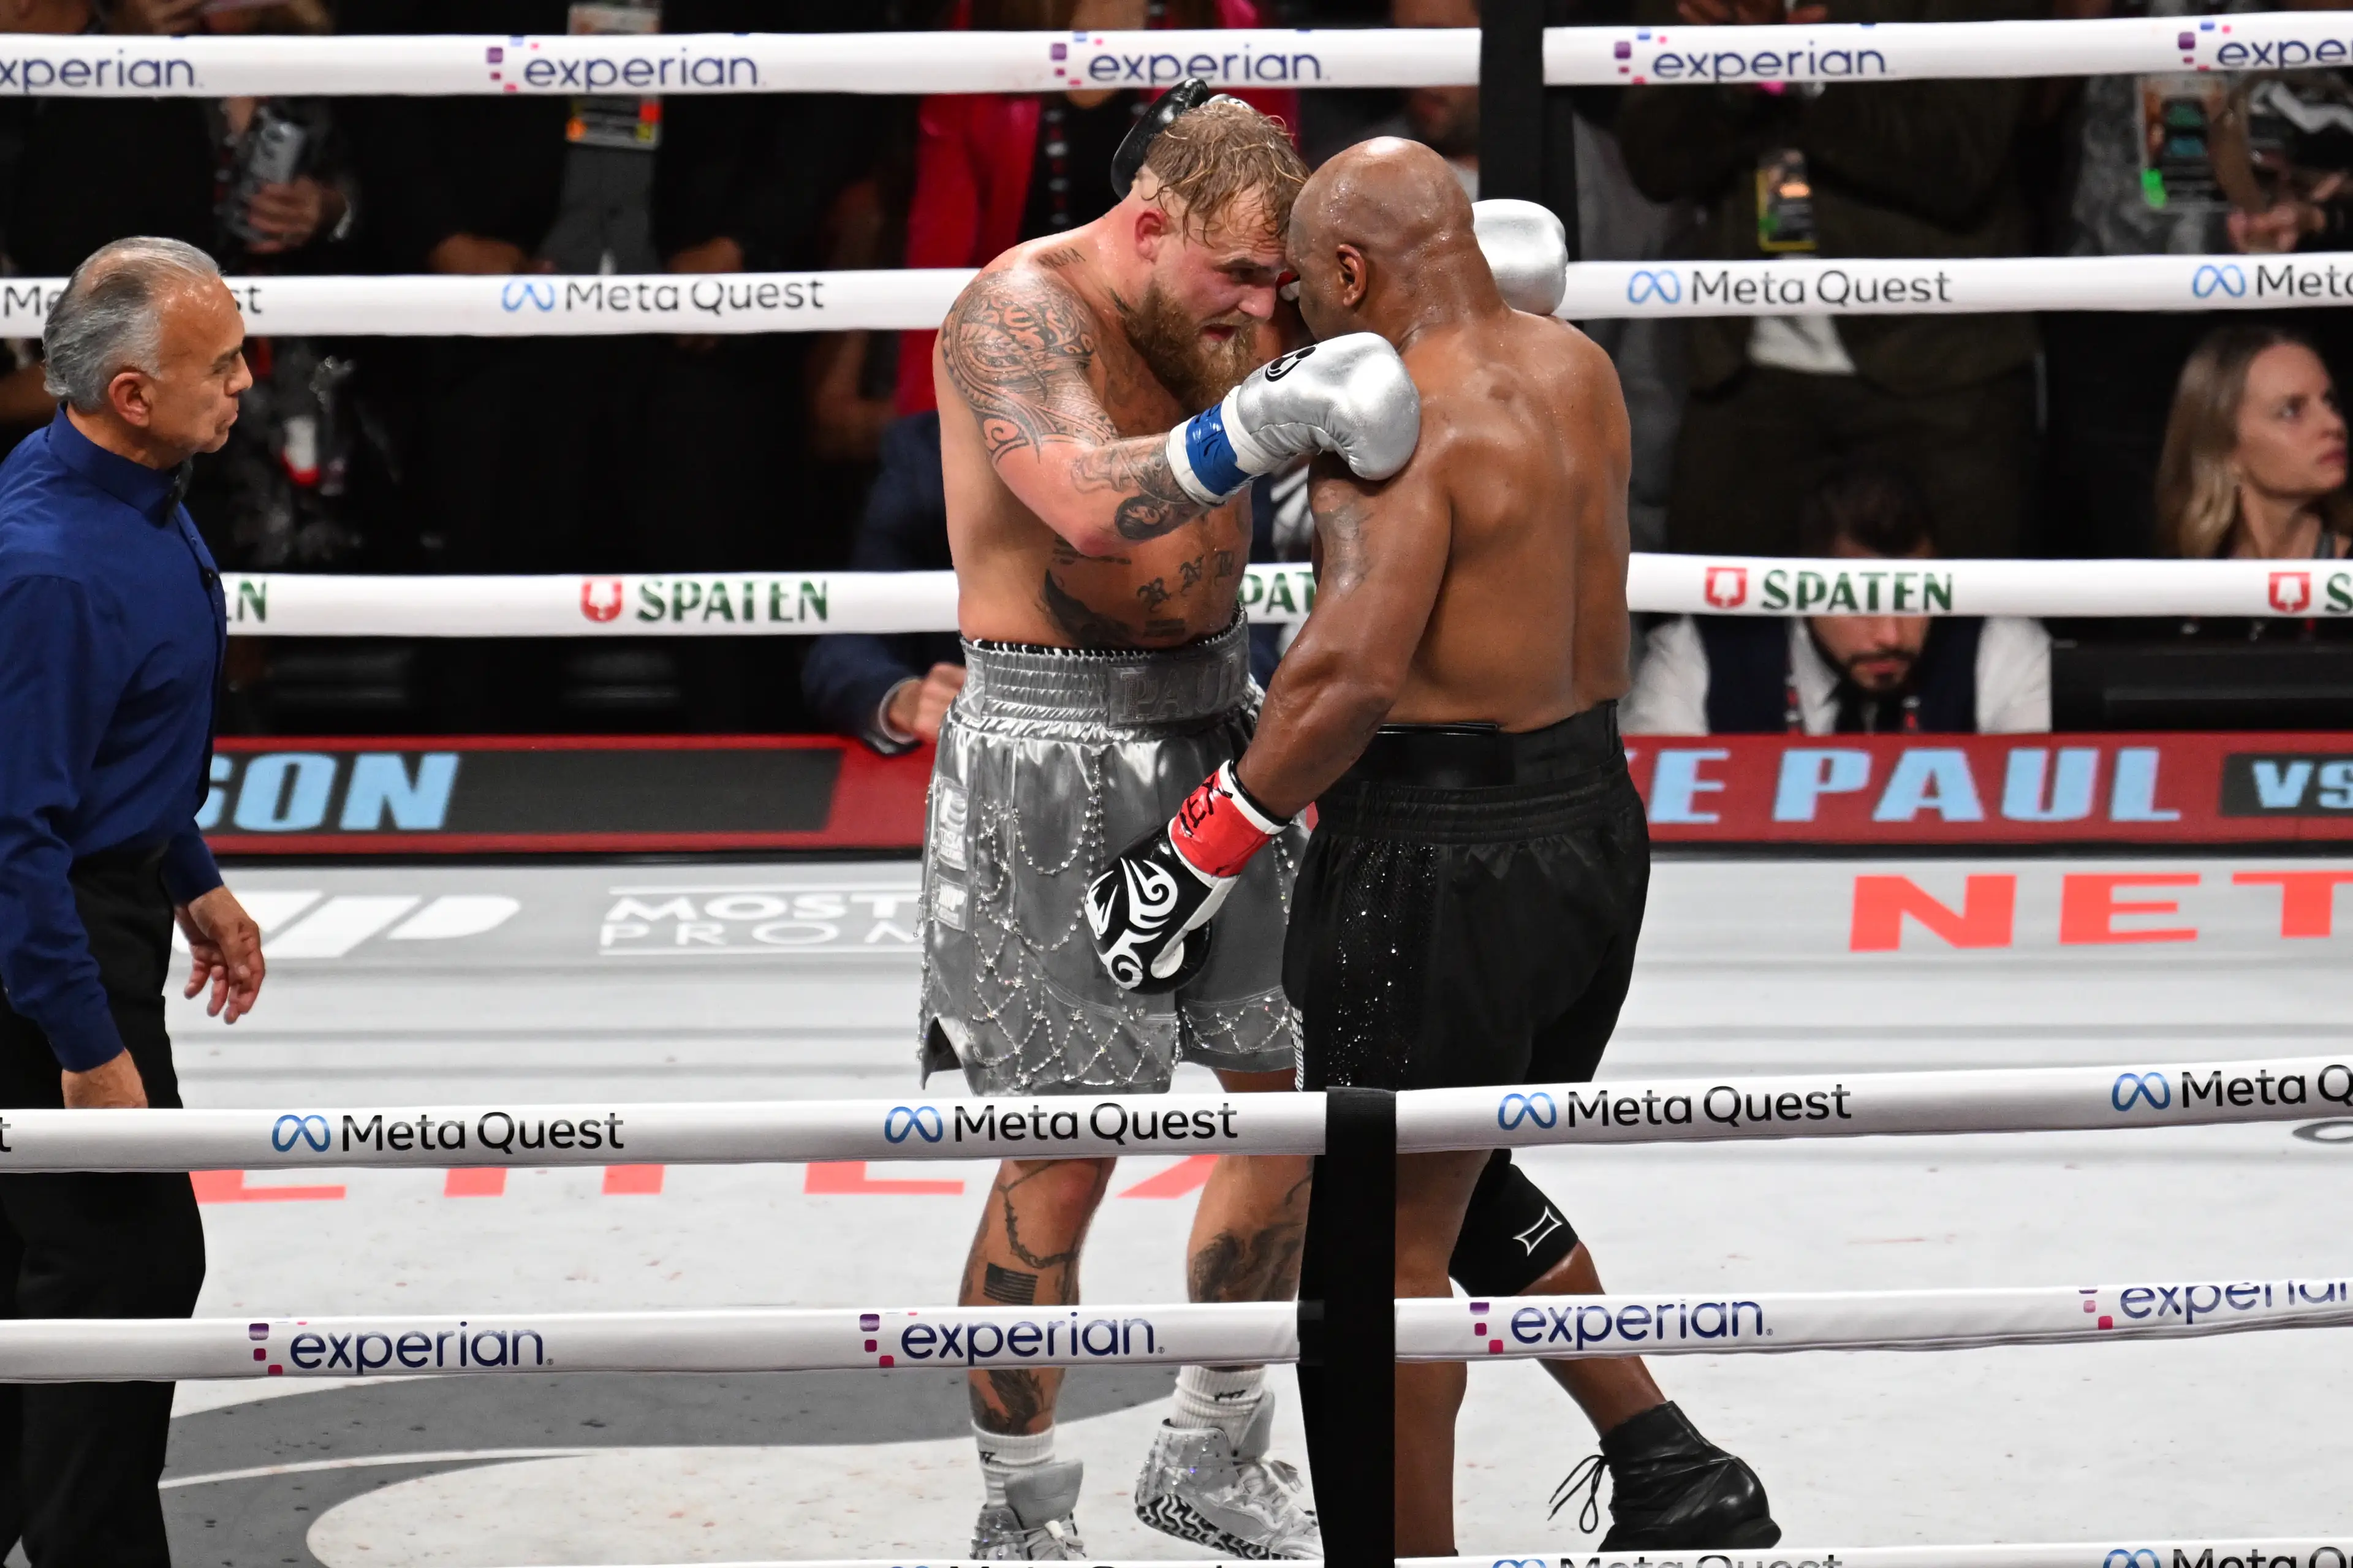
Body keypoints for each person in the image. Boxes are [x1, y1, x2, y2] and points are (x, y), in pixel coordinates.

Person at [1083, 138, 1775, 1556]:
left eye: (1300, 290)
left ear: (1347, 271)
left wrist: (1192, 853)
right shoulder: (1574, 367)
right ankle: (1660, 1453)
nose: (1291, 325)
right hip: (1590, 824)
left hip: (1439, 856)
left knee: (1378, 1250)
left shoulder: (1399, 425)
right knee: (1451, 1171)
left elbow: (1342, 680)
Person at [923, 86, 1406, 1559]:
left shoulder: (1230, 311)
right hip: (1048, 753)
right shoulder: (1014, 313)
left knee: (1293, 1099)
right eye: (1239, 278)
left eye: (1279, 284)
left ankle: (1210, 1442)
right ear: (1147, 224)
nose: (1263, 310)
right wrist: (1263, 415)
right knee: (1063, 1156)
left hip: (1216, 722)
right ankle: (1017, 1512)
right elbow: (1078, 499)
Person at [0, 237, 266, 1565]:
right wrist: (86, 1045)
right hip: (48, 944)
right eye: (218, 365)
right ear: (131, 395)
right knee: (128, 1266)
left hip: (101, 904)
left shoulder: (137, 488)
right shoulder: (50, 562)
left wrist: (192, 874)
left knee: (46, 1264)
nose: (247, 382)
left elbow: (115, 748)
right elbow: (13, 834)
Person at [1614, 0, 2040, 559]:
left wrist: (1801, 64)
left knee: (1958, 631)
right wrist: (1734, 75)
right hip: (1745, 373)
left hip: (1939, 366)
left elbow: (1960, 157)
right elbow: (1655, 160)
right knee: (1723, 632)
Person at [1624, 464, 2052, 735]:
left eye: (1914, 601)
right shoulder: (1698, 656)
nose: (1889, 634)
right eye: (1858, 602)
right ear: (1803, 590)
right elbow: (1651, 834)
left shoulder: (2002, 649)